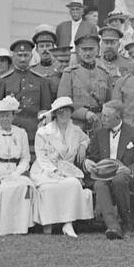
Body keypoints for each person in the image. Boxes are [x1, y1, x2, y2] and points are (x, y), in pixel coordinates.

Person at [31, 95, 91, 236]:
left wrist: (83, 146)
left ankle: (68, 224)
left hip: (67, 170)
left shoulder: (76, 130)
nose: (63, 114)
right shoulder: (43, 132)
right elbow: (42, 157)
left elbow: (86, 139)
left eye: (67, 110)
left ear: (71, 112)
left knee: (73, 184)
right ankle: (48, 223)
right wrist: (55, 171)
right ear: (55, 114)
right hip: (45, 170)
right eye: (60, 111)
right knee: (48, 188)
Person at [84, 99, 134, 239]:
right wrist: (88, 162)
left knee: (118, 181)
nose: (102, 118)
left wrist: (130, 170)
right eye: (102, 115)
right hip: (104, 174)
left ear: (117, 117)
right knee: (99, 185)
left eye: (106, 116)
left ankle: (128, 225)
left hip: (124, 174)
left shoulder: (133, 133)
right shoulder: (99, 133)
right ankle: (113, 227)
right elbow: (93, 157)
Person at [0, 96, 36, 235]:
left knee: (23, 187)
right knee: (4, 190)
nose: (5, 119)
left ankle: (20, 226)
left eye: (7, 115)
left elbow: (25, 158)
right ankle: (4, 226)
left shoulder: (21, 133)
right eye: (1, 116)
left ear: (13, 116)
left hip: (15, 171)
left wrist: (16, 173)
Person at [0, 39, 52, 145]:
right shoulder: (4, 81)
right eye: (19, 55)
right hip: (10, 132)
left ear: (31, 56)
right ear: (13, 57)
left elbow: (46, 110)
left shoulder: (41, 80)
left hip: (34, 132)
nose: (23, 59)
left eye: (26, 55)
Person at [59, 33, 111, 132]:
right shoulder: (69, 73)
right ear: (78, 51)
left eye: (91, 49)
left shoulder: (104, 73)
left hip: (100, 125)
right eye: (84, 49)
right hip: (77, 126)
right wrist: (84, 114)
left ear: (98, 50)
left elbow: (110, 102)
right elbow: (63, 104)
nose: (87, 53)